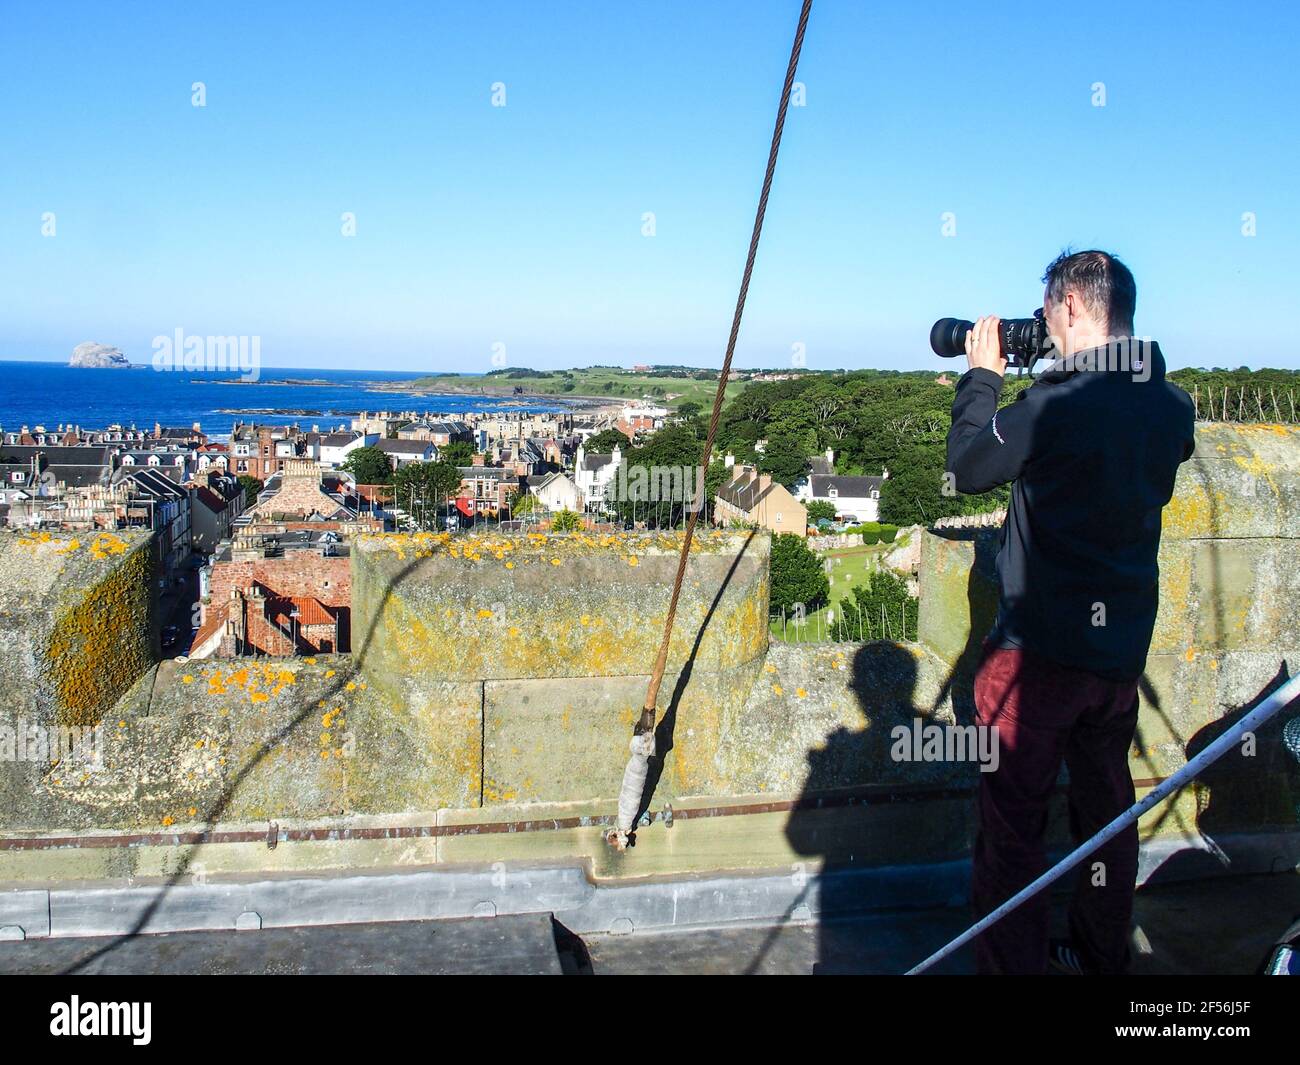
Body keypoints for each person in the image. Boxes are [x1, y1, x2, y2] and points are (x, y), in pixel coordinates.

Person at [946, 249, 1195, 974]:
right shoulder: (1170, 405)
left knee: (1013, 832)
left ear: (1074, 307)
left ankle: (1012, 967)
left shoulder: (1052, 406)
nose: (1043, 326)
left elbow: (967, 467)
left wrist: (985, 375)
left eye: (1048, 312)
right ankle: (1099, 953)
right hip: (1118, 658)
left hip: (1038, 657)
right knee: (1106, 822)